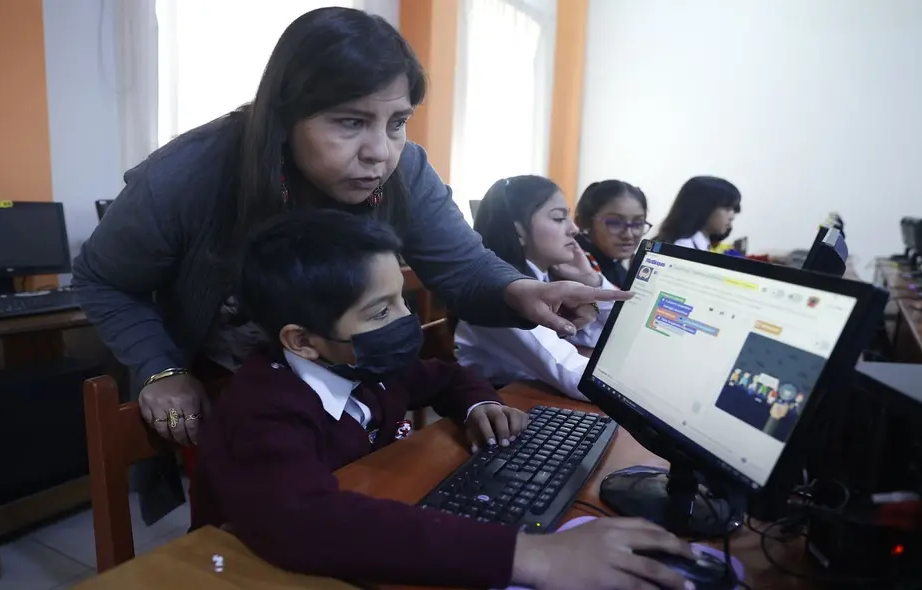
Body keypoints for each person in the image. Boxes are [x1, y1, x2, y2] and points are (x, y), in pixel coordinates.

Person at [70, 8, 626, 522]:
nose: (380, 151)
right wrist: (162, 369)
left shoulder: (405, 169)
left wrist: (519, 290)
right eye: (350, 122)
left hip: (349, 390)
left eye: (397, 122)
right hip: (241, 395)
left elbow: (463, 265)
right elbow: (101, 279)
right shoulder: (186, 176)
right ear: (284, 116)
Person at [194, 209, 696, 590]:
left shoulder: (362, 364)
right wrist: (531, 556)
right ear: (302, 341)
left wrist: (480, 405)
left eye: (402, 299)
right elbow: (308, 522)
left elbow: (447, 377)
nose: (405, 320)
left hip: (373, 525)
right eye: (380, 311)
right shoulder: (262, 413)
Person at [454, 176, 616, 401]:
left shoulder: (546, 278)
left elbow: (600, 337)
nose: (574, 229)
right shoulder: (504, 293)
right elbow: (574, 376)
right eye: (559, 218)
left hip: (528, 395)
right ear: (518, 231)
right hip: (500, 404)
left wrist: (591, 280)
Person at [575, 180, 652, 288]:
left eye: (637, 223)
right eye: (615, 223)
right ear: (585, 222)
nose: (628, 235)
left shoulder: (618, 267)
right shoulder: (573, 267)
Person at [654, 176, 741, 249]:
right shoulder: (682, 247)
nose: (732, 216)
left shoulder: (701, 243)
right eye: (727, 208)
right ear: (704, 206)